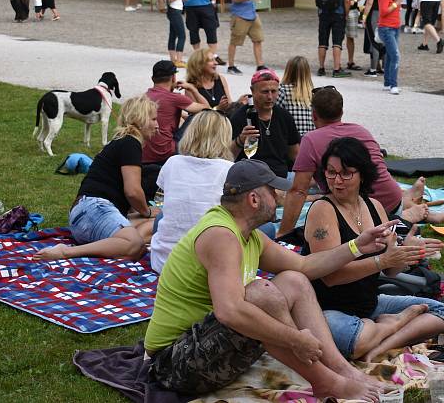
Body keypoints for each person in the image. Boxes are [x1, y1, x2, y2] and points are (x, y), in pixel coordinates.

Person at [144, 158, 391, 401]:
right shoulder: (221, 235)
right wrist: (295, 339)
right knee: (259, 294)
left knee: (294, 280)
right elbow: (229, 311)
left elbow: (305, 266)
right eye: (272, 192)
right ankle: (326, 382)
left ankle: (342, 371)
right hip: (173, 364)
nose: (278, 198)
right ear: (254, 199)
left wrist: (357, 247)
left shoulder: (249, 235)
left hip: (202, 347)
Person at [304, 137, 444, 361]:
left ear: (362, 173)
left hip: (370, 305)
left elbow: (392, 271)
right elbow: (331, 277)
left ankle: (379, 346)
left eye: (346, 173)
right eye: (330, 172)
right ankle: (394, 325)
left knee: (441, 312)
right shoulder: (322, 210)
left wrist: (405, 252)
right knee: (350, 339)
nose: (337, 180)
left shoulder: (374, 206)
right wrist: (381, 262)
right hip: (330, 310)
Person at [279, 87, 444, 236]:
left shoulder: (311, 140)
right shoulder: (361, 130)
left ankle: (410, 215)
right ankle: (411, 203)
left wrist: (283, 234)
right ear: (341, 112)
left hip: (364, 211)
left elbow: (298, 191)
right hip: (390, 197)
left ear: (314, 115)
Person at [33, 96, 160, 261]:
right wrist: (147, 210)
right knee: (135, 244)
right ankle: (66, 252)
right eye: (154, 119)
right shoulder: (130, 143)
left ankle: (114, 245)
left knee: (158, 222)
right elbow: (133, 191)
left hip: (86, 216)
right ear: (140, 119)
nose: (157, 125)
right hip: (93, 210)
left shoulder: (122, 142)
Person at [150, 110, 235, 272]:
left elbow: (163, 199)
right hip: (203, 266)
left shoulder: (172, 163)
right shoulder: (229, 170)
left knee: (162, 217)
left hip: (162, 262)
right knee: (264, 229)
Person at [230, 68, 300, 180]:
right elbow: (228, 157)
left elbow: (295, 154)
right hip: (250, 177)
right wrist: (240, 140)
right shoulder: (240, 117)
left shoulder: (284, 116)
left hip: (280, 176)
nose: (270, 97)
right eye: (265, 92)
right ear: (252, 91)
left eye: (274, 91)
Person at [143, 60, 210, 166]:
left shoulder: (144, 96)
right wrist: (192, 89)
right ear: (173, 77)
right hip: (165, 152)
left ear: (153, 79)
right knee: (197, 115)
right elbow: (207, 109)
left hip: (144, 154)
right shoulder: (175, 98)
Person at [313, 0, 352, 78]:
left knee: (322, 40)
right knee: (337, 41)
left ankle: (321, 68)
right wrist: (346, 14)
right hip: (338, 13)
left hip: (323, 13)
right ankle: (336, 69)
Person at [227, 0, 266, 76]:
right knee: (235, 41)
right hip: (240, 15)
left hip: (252, 13)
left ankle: (260, 65)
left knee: (258, 39)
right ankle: (231, 66)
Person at [186, 48, 243, 112]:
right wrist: (217, 108)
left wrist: (238, 102)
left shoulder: (220, 79)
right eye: (211, 60)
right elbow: (198, 115)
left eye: (215, 60)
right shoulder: (190, 87)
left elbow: (229, 104)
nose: (216, 63)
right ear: (199, 64)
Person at [276, 55, 316, 136]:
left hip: (291, 139)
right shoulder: (313, 94)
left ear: (288, 71)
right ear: (307, 73)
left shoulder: (282, 91)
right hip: (310, 138)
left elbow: (274, 115)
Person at [378, 0, 403, 95]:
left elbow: (393, 10)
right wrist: (396, 4)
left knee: (389, 55)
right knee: (395, 56)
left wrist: (397, 4)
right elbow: (383, 12)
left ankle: (387, 83)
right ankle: (393, 84)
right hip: (387, 29)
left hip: (394, 28)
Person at [361, 0, 385, 78]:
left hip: (374, 14)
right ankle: (383, 67)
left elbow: (369, 3)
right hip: (382, 14)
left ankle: (373, 69)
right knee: (382, 40)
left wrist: (364, 17)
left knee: (373, 40)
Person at [165, 0, 189, 67]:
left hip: (174, 10)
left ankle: (173, 59)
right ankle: (178, 60)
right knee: (182, 35)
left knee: (173, 35)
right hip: (174, 10)